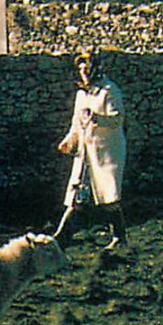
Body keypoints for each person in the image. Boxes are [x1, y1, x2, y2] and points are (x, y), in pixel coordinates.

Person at [54, 50, 128, 249]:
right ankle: (61, 237)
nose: (84, 73)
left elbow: (117, 118)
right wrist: (69, 140)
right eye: (81, 70)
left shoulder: (109, 91)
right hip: (86, 153)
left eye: (87, 69)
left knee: (109, 196)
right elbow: (76, 123)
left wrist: (97, 118)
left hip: (106, 153)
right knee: (76, 195)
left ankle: (119, 237)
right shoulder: (81, 95)